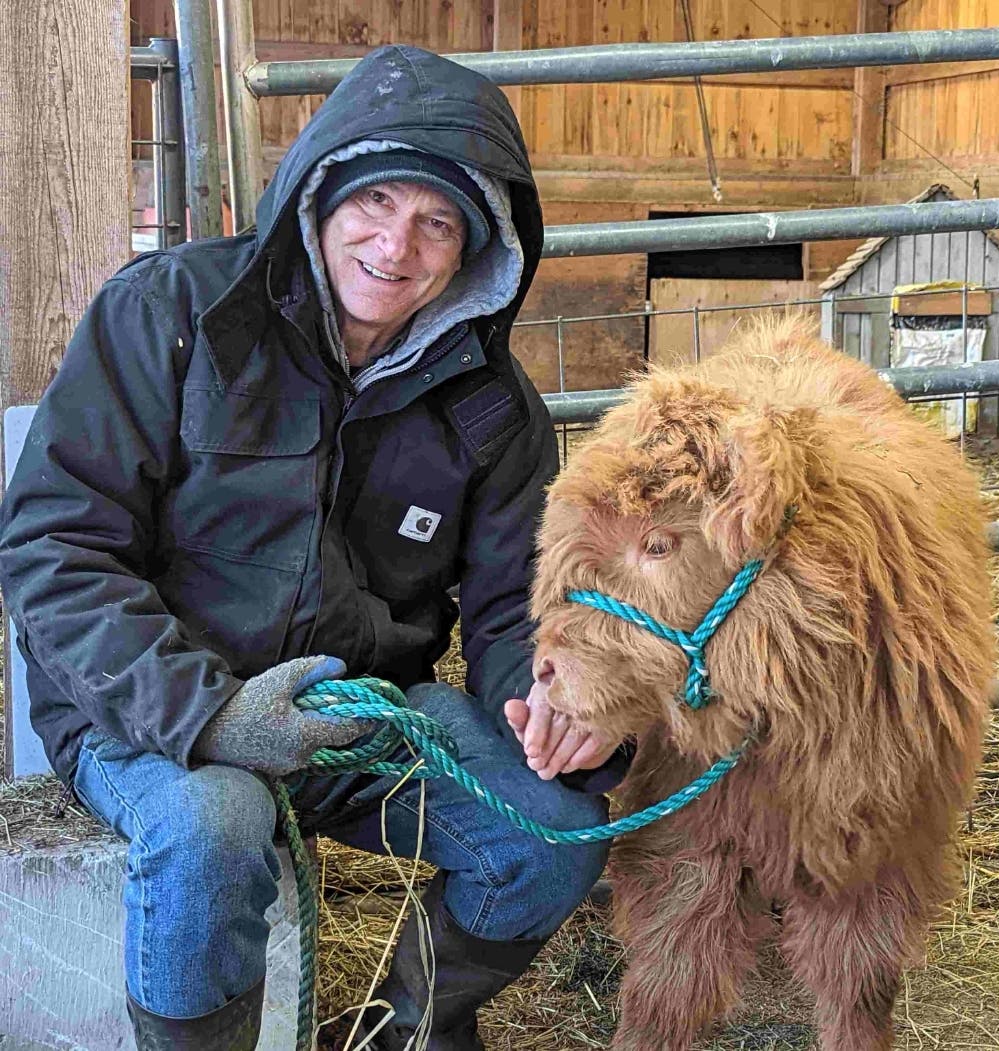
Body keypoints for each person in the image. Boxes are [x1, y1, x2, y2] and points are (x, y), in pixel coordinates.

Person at [0, 44, 628, 1051]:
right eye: (375, 200)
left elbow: (519, 602)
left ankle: (394, 1030)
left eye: (438, 221)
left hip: (354, 710)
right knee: (213, 825)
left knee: (550, 839)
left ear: (479, 247)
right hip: (152, 707)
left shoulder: (492, 407)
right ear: (318, 192)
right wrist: (207, 713)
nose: (397, 244)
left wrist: (558, 698)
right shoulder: (172, 315)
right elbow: (53, 546)